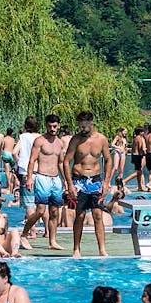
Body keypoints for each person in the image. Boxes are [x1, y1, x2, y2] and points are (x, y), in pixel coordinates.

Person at [63, 111, 113, 258]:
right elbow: (66, 161)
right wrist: (70, 185)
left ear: (92, 123)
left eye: (85, 127)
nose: (82, 129)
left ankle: (102, 249)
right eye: (80, 127)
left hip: (95, 181)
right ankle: (76, 249)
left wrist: (106, 182)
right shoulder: (76, 140)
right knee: (79, 215)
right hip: (79, 180)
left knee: (98, 215)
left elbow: (108, 160)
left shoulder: (102, 139)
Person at [14, 116, 41, 233]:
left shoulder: (23, 137)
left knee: (30, 204)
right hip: (40, 172)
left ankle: (32, 231)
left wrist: (19, 163)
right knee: (41, 203)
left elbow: (14, 152)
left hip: (25, 172)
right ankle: (48, 232)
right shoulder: (41, 137)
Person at [127, 127, 146, 191]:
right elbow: (141, 148)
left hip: (134, 155)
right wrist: (145, 153)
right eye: (143, 131)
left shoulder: (135, 138)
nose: (143, 133)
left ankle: (140, 186)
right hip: (138, 155)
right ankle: (124, 181)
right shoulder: (139, 138)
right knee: (138, 172)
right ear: (140, 132)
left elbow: (133, 149)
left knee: (139, 172)